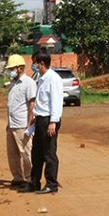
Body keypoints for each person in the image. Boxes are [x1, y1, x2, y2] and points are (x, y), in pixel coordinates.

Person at [21, 50, 63, 194]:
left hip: (48, 120)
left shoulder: (53, 79)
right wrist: (34, 118)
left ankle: (51, 183)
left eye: (35, 63)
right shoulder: (40, 77)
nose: (33, 66)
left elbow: (56, 102)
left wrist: (53, 122)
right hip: (40, 120)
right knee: (36, 153)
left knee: (49, 153)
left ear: (41, 63)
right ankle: (34, 182)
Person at [4, 54, 36, 187]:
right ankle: (17, 177)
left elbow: (31, 104)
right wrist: (8, 124)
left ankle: (30, 179)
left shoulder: (29, 83)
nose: (10, 71)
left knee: (26, 153)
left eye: (12, 68)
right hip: (12, 124)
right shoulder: (13, 84)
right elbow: (11, 105)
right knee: (13, 154)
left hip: (23, 124)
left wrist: (29, 125)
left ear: (20, 68)